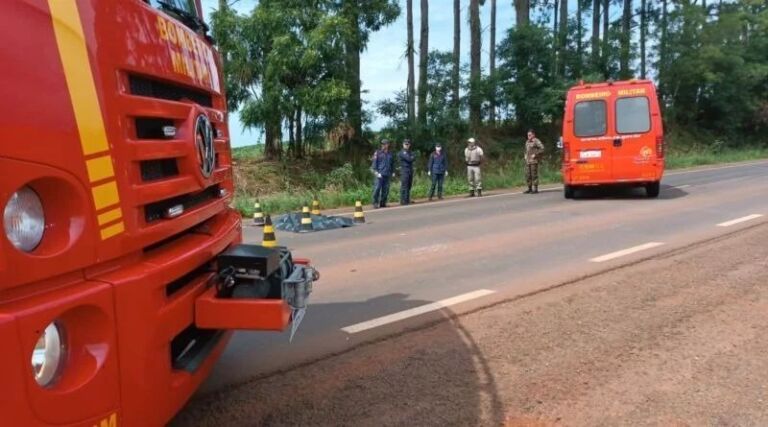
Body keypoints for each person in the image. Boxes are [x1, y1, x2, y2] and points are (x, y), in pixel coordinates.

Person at [371, 139, 395, 208]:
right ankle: (375, 203)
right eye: (383, 144)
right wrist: (376, 173)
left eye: (385, 144)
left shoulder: (390, 154)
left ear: (388, 145)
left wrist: (393, 172)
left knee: (386, 190)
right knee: (377, 189)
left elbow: (392, 164)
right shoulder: (377, 153)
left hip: (387, 174)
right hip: (379, 174)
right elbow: (374, 165)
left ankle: (383, 203)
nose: (384, 145)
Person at [524, 129, 545, 194]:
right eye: (528, 135)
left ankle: (535, 189)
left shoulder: (536, 141)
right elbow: (526, 150)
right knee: (528, 175)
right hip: (528, 161)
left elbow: (542, 148)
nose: (528, 136)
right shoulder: (527, 142)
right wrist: (525, 155)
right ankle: (529, 188)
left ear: (533, 135)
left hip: (534, 161)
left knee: (534, 175)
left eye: (530, 135)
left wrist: (535, 154)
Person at [398, 139, 415, 205]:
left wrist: (411, 157)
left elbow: (414, 157)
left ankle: (407, 199)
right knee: (404, 186)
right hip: (404, 170)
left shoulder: (410, 152)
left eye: (408, 144)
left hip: (410, 170)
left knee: (409, 186)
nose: (406, 145)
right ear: (403, 144)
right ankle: (403, 200)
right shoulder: (402, 152)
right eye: (405, 144)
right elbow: (409, 159)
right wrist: (411, 158)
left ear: (409, 145)